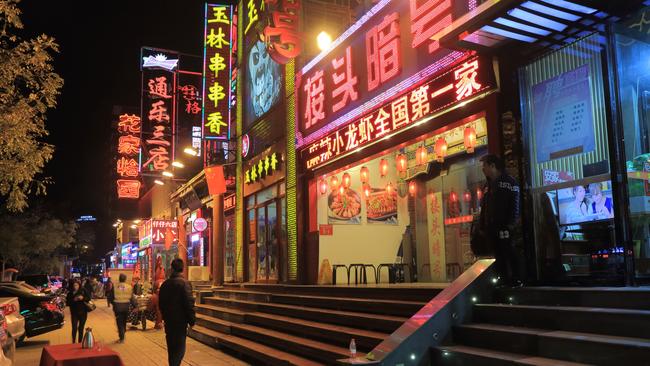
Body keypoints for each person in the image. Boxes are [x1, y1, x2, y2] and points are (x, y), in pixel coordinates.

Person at [479, 154, 522, 287]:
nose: (483, 169)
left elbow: (514, 205)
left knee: (508, 251)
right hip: (492, 228)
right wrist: (483, 225)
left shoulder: (509, 182)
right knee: (498, 254)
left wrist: (510, 225)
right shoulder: (488, 185)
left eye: (484, 165)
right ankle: (503, 280)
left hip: (504, 227)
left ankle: (515, 279)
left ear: (493, 166)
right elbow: (485, 207)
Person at [159, 259, 196, 366]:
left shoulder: (165, 284)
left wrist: (165, 316)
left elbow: (161, 304)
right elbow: (189, 304)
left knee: (172, 349)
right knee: (179, 349)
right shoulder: (185, 284)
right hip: (180, 323)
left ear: (172, 268)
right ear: (182, 268)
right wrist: (192, 321)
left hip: (169, 322)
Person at [112, 274, 133, 343]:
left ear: (119, 279)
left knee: (119, 322)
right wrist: (135, 306)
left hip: (118, 307)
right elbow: (132, 297)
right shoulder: (129, 287)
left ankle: (122, 337)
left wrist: (113, 303)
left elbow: (110, 297)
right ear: (125, 279)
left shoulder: (115, 287)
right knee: (124, 321)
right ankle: (123, 333)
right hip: (126, 306)